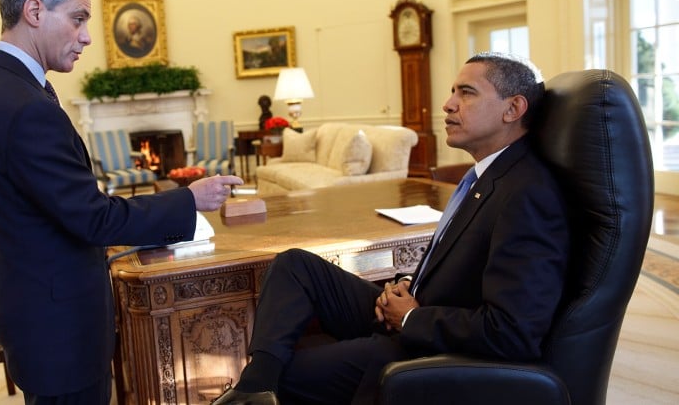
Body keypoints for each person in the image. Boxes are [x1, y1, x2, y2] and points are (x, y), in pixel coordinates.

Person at [0, 0, 242, 404]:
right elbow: (91, 219)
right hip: (60, 327)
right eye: (78, 18)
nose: (87, 36)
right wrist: (188, 199)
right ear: (34, 11)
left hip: (26, 313)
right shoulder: (25, 107)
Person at [212, 52, 571, 405]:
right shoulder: (487, 175)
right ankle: (255, 388)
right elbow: (459, 267)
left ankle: (256, 388)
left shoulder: (528, 194)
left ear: (513, 109)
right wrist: (405, 284)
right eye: (452, 91)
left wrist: (413, 317)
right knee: (294, 265)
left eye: (466, 93)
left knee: (285, 374)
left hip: (422, 348)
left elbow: (514, 332)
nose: (447, 104)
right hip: (413, 308)